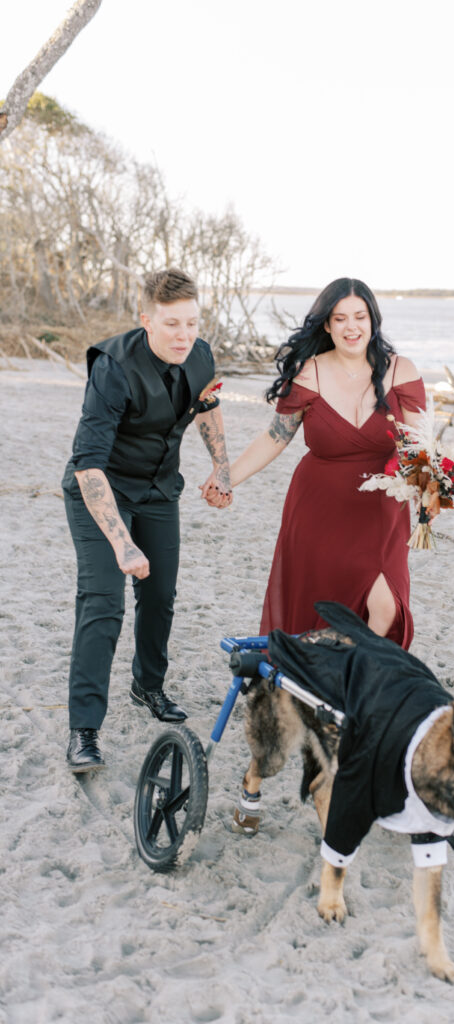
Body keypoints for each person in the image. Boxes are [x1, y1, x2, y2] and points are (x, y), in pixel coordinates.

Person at [62, 268, 233, 773]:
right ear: (146, 320)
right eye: (172, 324)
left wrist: (221, 469)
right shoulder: (113, 367)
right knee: (103, 602)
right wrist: (121, 543)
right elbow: (87, 463)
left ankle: (148, 686)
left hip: (159, 491)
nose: (184, 335)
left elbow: (207, 408)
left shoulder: (199, 354)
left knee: (159, 595)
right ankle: (84, 730)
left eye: (192, 323)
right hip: (101, 492)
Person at [225, 277, 426, 649]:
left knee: (385, 609)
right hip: (319, 510)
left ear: (372, 320)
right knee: (322, 605)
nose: (352, 327)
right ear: (327, 325)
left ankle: (340, 673)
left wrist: (433, 490)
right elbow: (275, 437)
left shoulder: (401, 370)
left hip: (381, 510)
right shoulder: (308, 372)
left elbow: (419, 445)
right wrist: (227, 478)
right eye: (340, 318)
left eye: (360, 317)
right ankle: (320, 681)